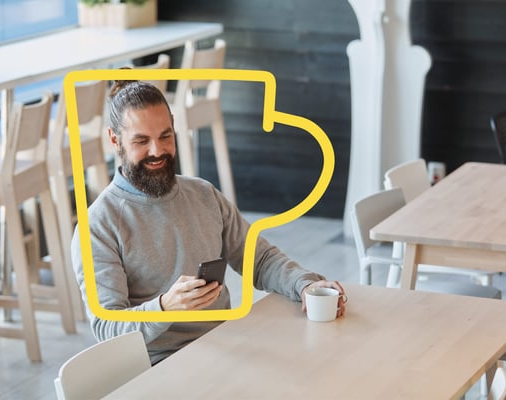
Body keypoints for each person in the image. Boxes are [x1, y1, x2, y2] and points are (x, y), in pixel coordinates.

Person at [71, 79, 346, 365]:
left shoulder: (202, 194)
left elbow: (260, 259)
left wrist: (304, 284)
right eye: (141, 141)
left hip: (227, 347)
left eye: (166, 136)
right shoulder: (97, 226)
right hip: (161, 366)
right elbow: (107, 329)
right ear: (115, 139)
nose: (157, 151)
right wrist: (164, 308)